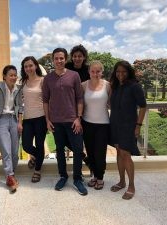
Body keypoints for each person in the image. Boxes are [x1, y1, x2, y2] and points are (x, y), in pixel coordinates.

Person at [42, 47, 87, 196]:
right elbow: (45, 101)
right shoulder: (48, 78)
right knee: (60, 150)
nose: (59, 61)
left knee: (78, 150)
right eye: (56, 58)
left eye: (61, 58)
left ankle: (77, 179)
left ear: (65, 59)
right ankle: (63, 176)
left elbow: (80, 98)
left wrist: (78, 118)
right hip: (56, 121)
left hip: (73, 120)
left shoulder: (74, 76)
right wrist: (47, 120)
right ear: (53, 60)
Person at [109, 60, 146, 200]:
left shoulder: (134, 86)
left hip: (128, 126)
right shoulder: (116, 86)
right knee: (118, 153)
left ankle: (131, 185)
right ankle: (122, 181)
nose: (120, 74)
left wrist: (138, 125)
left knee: (126, 154)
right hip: (115, 124)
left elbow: (143, 106)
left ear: (128, 72)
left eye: (123, 71)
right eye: (118, 72)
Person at [0, 65, 23, 193]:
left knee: (15, 151)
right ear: (4, 76)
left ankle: (11, 175)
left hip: (14, 120)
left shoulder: (18, 90)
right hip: (2, 120)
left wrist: (20, 123)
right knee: (6, 149)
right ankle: (9, 175)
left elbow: (20, 106)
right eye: (11, 75)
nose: (13, 77)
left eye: (15, 75)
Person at [81, 61, 110, 190]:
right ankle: (94, 176)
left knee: (100, 153)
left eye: (98, 71)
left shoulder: (108, 86)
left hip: (103, 124)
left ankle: (100, 177)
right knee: (90, 152)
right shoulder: (83, 85)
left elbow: (113, 103)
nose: (95, 74)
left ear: (102, 72)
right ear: (89, 72)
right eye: (93, 71)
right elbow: (79, 103)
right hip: (87, 123)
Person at [20, 56, 47, 183]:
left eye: (30, 65)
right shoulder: (23, 82)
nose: (28, 68)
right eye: (26, 66)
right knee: (26, 145)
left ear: (35, 66)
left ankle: (37, 170)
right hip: (27, 118)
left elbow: (48, 100)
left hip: (41, 117)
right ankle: (38, 156)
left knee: (40, 144)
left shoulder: (43, 80)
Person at [65, 44, 91, 171]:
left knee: (82, 137)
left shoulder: (88, 70)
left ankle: (87, 167)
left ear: (84, 57)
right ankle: (83, 157)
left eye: (79, 56)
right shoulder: (67, 67)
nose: (77, 58)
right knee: (64, 137)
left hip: (84, 107)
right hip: (68, 107)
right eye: (74, 56)